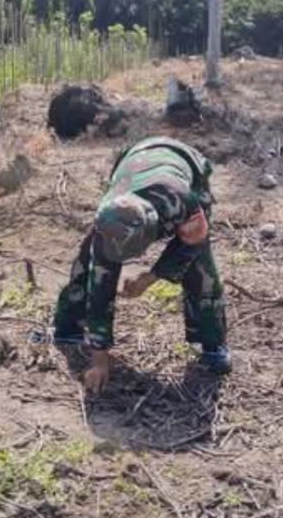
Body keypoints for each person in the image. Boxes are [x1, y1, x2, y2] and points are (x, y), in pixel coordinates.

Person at [53, 136, 230, 393]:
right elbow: (100, 288)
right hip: (133, 160)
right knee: (87, 261)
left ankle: (212, 344)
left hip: (183, 159)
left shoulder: (181, 202)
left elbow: (191, 243)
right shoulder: (108, 217)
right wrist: (99, 359)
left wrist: (150, 277)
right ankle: (69, 325)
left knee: (200, 268)